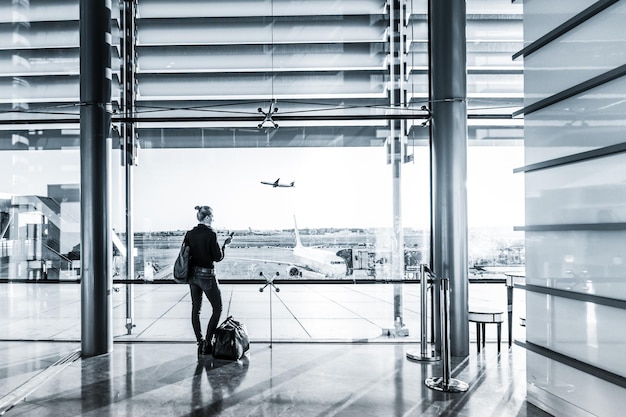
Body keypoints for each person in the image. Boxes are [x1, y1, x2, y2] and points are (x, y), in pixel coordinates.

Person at [184, 205, 232, 356]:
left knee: (195, 309)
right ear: (206, 217)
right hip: (207, 276)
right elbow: (217, 257)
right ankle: (209, 341)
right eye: (212, 217)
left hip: (193, 276)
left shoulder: (190, 233)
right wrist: (225, 246)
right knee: (217, 309)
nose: (213, 219)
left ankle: (200, 342)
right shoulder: (211, 233)